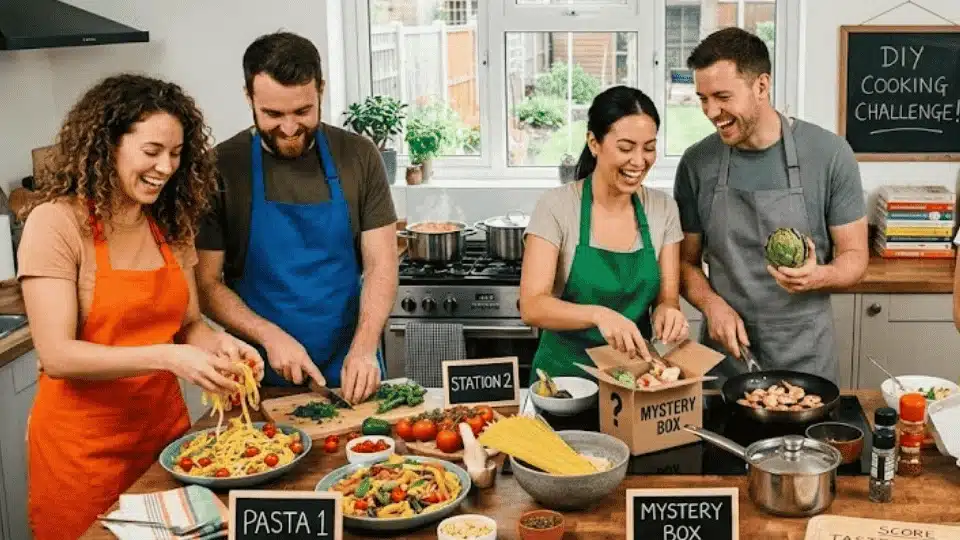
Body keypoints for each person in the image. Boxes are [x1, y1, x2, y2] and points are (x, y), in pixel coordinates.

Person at [19, 73, 265, 540]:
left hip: (165, 447)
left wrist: (222, 345)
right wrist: (167, 355)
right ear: (107, 144)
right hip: (82, 457)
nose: (166, 167)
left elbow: (189, 324)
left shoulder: (170, 223)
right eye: (151, 151)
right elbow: (57, 355)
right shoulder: (55, 224)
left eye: (175, 154)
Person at [195, 31, 398, 403]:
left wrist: (366, 346)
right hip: (257, 372)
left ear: (321, 89)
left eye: (302, 112)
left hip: (350, 369)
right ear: (249, 97)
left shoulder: (358, 156)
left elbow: (382, 263)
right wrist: (269, 335)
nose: (289, 129)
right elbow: (206, 284)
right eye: (272, 114)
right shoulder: (219, 167)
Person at [673, 27, 869, 386]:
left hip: (806, 355)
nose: (711, 112)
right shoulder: (697, 162)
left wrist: (818, 275)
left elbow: (855, 256)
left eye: (722, 97)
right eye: (702, 98)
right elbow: (685, 263)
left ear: (761, 86)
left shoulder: (829, 154)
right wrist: (711, 305)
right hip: (725, 355)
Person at [520, 85, 690, 381]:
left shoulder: (663, 209)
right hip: (563, 381)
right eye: (626, 147)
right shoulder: (557, 207)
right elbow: (532, 306)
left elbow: (668, 299)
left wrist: (669, 312)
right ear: (594, 143)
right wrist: (599, 314)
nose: (639, 161)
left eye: (648, 148)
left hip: (634, 380)